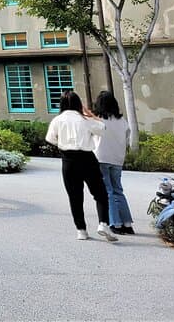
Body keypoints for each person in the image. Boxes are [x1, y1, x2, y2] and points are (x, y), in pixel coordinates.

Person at [45, 91, 117, 241]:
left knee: (75, 197)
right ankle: (103, 223)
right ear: (79, 104)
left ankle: (81, 230)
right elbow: (103, 128)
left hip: (68, 161)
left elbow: (50, 139)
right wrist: (89, 113)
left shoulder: (57, 120)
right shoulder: (84, 119)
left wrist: (63, 143)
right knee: (100, 193)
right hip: (87, 159)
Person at [93, 90, 135, 234]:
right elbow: (127, 137)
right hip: (118, 158)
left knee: (108, 192)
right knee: (118, 190)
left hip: (101, 158)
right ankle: (127, 224)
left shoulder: (98, 119)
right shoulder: (122, 121)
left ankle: (115, 223)